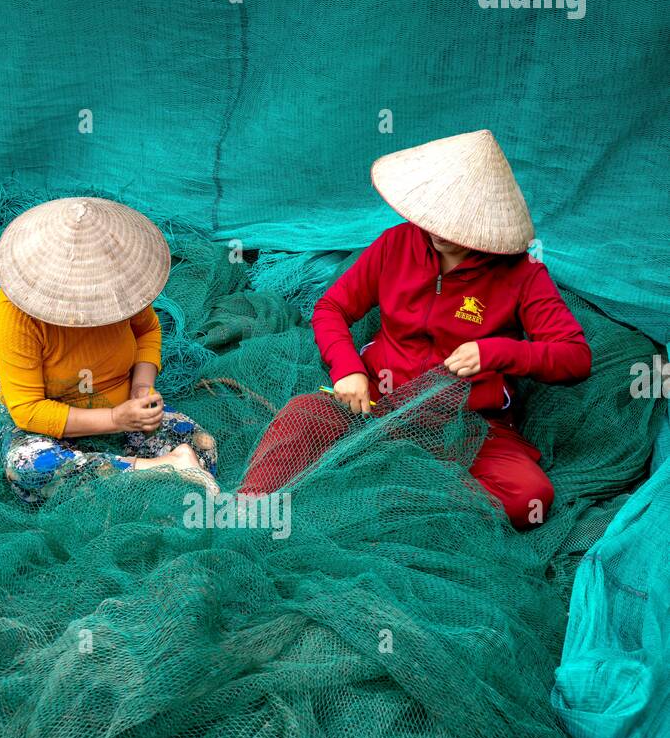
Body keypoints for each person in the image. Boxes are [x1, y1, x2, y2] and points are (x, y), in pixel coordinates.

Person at [239, 130, 591, 528]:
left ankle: (389, 493)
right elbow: (331, 308)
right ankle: (247, 516)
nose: (439, 229)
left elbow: (575, 357)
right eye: (435, 212)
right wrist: (347, 368)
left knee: (530, 497)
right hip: (375, 403)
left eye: (456, 221)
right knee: (302, 418)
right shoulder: (394, 245)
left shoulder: (523, 275)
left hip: (468, 425)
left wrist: (495, 352)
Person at [0, 196, 217, 503]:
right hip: (51, 414)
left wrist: (141, 388)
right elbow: (29, 410)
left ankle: (118, 474)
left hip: (121, 401)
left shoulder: (121, 286)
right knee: (29, 468)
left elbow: (148, 329)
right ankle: (158, 470)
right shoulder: (17, 312)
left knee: (201, 446)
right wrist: (115, 420)